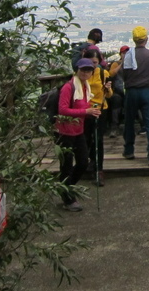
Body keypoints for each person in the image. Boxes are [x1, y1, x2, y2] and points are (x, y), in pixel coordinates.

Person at [56, 59, 103, 211]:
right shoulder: (69, 87)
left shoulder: (84, 87)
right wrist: (86, 112)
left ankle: (67, 188)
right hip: (65, 132)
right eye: (83, 70)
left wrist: (92, 112)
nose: (85, 73)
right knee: (66, 166)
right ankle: (68, 198)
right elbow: (62, 110)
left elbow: (83, 107)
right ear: (77, 70)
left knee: (83, 162)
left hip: (78, 130)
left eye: (89, 70)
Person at [122, 26, 149, 167]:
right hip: (148, 91)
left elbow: (124, 74)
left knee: (129, 122)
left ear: (134, 39)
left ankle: (129, 150)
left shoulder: (128, 55)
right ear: (146, 39)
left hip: (132, 91)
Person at [82, 48, 113, 186]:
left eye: (95, 62)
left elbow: (109, 95)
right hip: (85, 110)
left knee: (98, 140)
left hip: (100, 109)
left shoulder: (102, 73)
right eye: (91, 62)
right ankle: (91, 161)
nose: (93, 65)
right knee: (86, 138)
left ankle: (99, 170)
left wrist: (108, 88)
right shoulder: (81, 74)